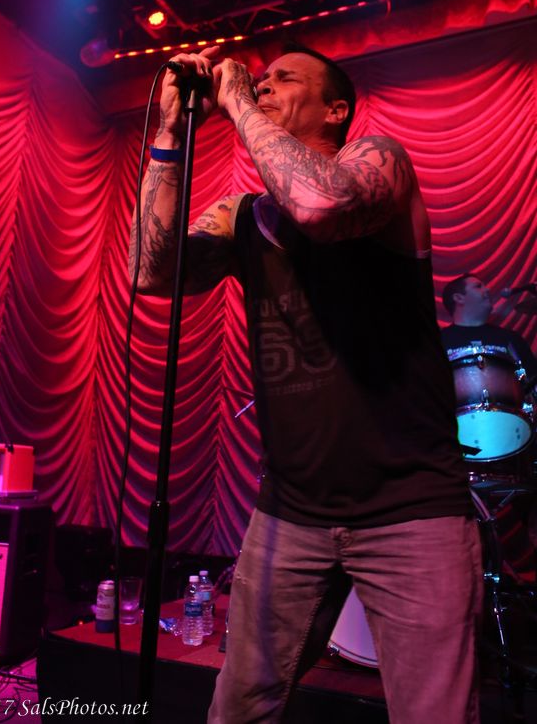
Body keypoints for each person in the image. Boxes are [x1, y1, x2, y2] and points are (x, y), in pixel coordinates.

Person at [129, 43, 483, 723]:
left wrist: (237, 101)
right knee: (239, 709)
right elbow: (152, 273)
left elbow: (322, 206)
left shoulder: (380, 163)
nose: (263, 85)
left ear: (336, 110)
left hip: (412, 509)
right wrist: (170, 135)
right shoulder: (242, 214)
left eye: (282, 79)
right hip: (290, 511)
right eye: (259, 80)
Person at [441, 273, 537, 581]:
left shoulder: (510, 340)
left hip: (514, 442)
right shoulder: (438, 341)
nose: (488, 290)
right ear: (458, 298)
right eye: (478, 286)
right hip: (456, 447)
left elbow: (531, 388)